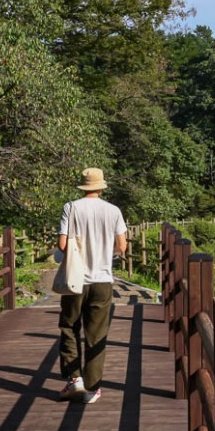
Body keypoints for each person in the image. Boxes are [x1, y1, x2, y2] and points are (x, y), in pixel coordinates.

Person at [57, 167, 127, 404]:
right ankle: (92, 388)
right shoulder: (113, 211)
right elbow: (122, 246)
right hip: (102, 279)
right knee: (96, 334)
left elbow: (62, 245)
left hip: (75, 279)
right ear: (101, 186)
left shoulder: (71, 207)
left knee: (69, 326)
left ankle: (74, 378)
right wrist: (106, 252)